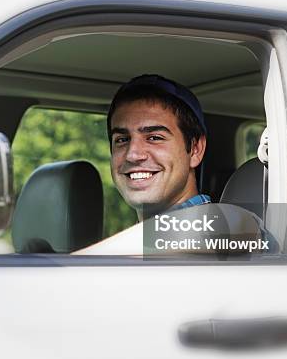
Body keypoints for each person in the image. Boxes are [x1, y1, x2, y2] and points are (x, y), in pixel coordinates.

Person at [74, 74, 210, 255]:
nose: (133, 154)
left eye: (154, 138)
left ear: (195, 149)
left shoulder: (230, 225)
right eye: (122, 140)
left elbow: (225, 225)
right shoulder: (129, 248)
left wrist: (73, 265)